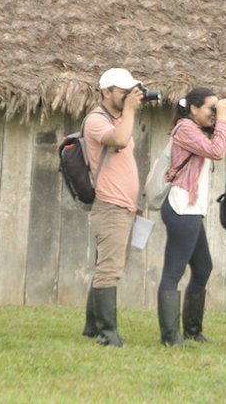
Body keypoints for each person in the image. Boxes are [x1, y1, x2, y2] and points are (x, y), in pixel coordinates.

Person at [156, 88, 226, 346]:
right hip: (181, 208)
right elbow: (217, 151)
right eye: (210, 108)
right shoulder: (185, 128)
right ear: (193, 109)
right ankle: (170, 337)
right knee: (173, 273)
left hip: (191, 209)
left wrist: (218, 119)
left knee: (203, 267)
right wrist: (222, 119)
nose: (214, 113)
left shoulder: (195, 130)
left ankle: (192, 330)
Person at [81, 67, 145, 348]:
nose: (128, 96)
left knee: (106, 265)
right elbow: (118, 141)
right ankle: (107, 334)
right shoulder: (96, 120)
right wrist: (130, 111)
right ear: (106, 92)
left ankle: (92, 327)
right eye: (123, 91)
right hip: (110, 204)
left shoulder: (119, 119)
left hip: (124, 205)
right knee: (109, 269)